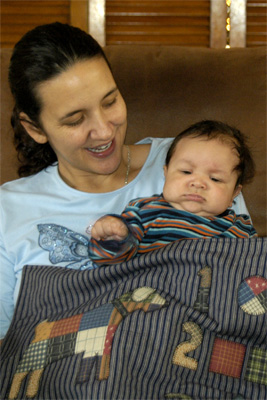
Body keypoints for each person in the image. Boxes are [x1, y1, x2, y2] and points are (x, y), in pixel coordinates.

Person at [0, 23, 249, 340]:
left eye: (110, 101)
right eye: (76, 119)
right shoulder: (8, 209)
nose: (104, 131)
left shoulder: (197, 162)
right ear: (35, 128)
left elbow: (245, 283)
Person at [89, 121, 257, 265]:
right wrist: (114, 238)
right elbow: (108, 262)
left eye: (215, 179)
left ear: (234, 194)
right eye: (186, 171)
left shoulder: (240, 228)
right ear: (166, 173)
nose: (197, 183)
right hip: (150, 294)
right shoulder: (144, 211)